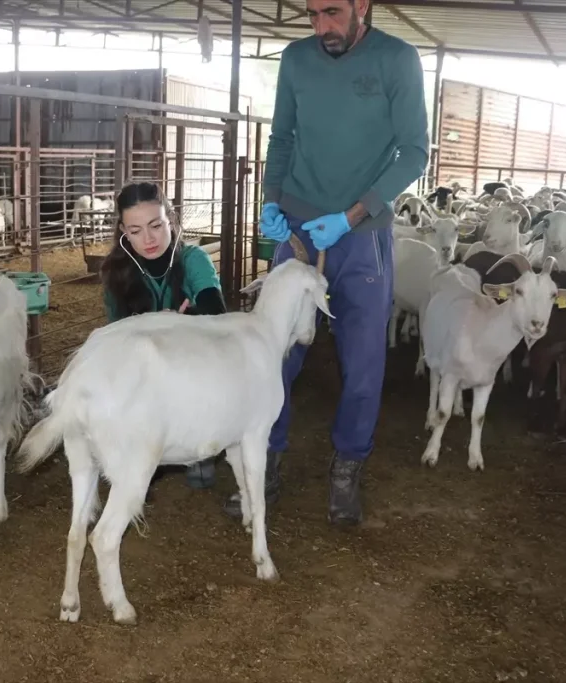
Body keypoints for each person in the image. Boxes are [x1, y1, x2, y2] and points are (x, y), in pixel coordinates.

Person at [222, 0, 429, 525]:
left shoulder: (397, 60)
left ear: (362, 5)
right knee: (276, 350)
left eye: (333, 13)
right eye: (312, 15)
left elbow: (414, 151)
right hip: (296, 230)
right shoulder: (297, 60)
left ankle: (349, 463)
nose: (322, 27)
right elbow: (282, 137)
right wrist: (270, 201)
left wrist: (353, 215)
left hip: (361, 236)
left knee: (362, 359)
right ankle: (264, 456)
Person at [100, 181, 227, 489]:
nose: (148, 238)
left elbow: (216, 311)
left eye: (156, 225)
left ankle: (200, 448)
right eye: (135, 230)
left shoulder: (193, 259)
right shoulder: (115, 272)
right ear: (123, 231)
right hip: (145, 369)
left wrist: (185, 322)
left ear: (171, 219)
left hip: (191, 364)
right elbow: (115, 332)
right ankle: (144, 445)